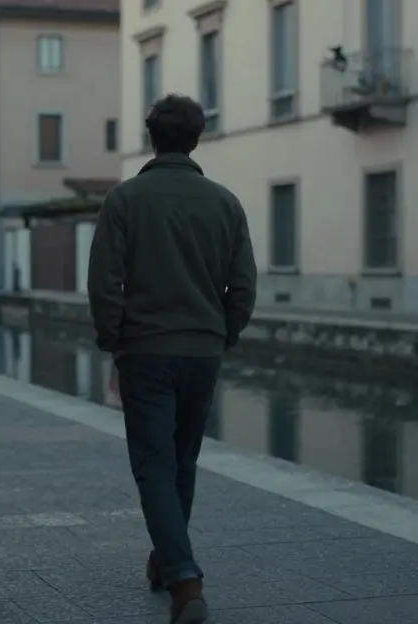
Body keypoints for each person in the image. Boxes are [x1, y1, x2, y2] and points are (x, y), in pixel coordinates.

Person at [87, 94, 257, 624]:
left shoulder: (125, 200)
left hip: (145, 350)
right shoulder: (225, 202)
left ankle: (185, 580)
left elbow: (104, 282)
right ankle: (166, 562)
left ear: (151, 138)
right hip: (202, 351)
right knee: (182, 462)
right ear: (197, 138)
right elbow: (244, 284)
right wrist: (223, 333)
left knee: (154, 467)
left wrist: (112, 336)